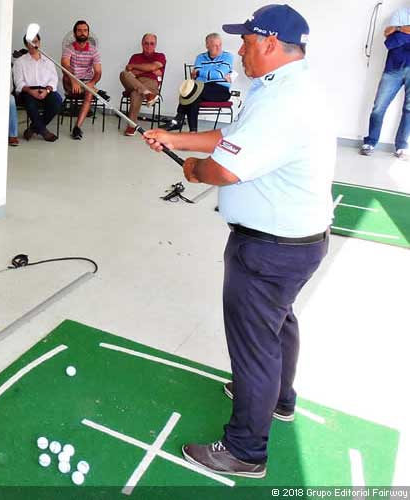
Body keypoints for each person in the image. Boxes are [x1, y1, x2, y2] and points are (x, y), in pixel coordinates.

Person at [141, 5, 331, 478]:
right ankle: (280, 400)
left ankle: (245, 450)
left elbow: (225, 169)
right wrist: (176, 139)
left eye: (245, 41)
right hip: (296, 243)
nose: (238, 49)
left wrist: (192, 170)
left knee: (254, 346)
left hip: (270, 249)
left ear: (268, 43)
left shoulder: (285, 100)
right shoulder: (282, 87)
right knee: (277, 323)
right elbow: (232, 136)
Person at [361, 6, 410, 159]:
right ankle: (370, 142)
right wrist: (401, 32)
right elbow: (390, 42)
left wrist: (400, 32)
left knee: (409, 110)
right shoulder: (400, 13)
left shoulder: (400, 21)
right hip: (393, 68)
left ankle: (401, 146)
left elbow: (397, 38)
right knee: (379, 107)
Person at [167, 33, 236, 133]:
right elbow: (216, 75)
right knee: (194, 96)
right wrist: (216, 75)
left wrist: (201, 72)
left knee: (192, 91)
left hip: (221, 91)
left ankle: (179, 119)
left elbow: (218, 73)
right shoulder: (200, 57)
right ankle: (192, 132)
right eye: (215, 45)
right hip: (202, 89)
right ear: (207, 46)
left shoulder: (227, 56)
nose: (219, 48)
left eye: (220, 45)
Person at [13, 33, 62, 142]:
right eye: (30, 43)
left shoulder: (48, 61)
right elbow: (19, 82)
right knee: (30, 104)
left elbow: (54, 79)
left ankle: (33, 128)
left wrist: (47, 90)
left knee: (57, 101)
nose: (33, 45)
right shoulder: (19, 62)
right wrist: (31, 91)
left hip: (46, 90)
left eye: (35, 41)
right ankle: (44, 131)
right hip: (27, 91)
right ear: (26, 45)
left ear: (39, 43)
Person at [61, 20, 103, 140]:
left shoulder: (94, 50)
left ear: (88, 33)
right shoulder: (69, 48)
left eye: (85, 30)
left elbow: (98, 72)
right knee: (67, 75)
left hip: (86, 82)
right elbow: (65, 65)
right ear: (74, 34)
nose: (82, 33)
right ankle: (96, 91)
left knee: (89, 92)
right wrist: (74, 80)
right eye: (79, 30)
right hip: (70, 80)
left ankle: (77, 127)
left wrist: (91, 83)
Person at [120, 34, 166, 136]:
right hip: (135, 81)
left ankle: (131, 126)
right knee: (123, 74)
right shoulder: (135, 56)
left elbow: (152, 66)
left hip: (150, 83)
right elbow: (130, 73)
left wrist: (135, 67)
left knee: (136, 93)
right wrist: (150, 69)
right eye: (146, 43)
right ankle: (147, 94)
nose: (149, 45)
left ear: (155, 45)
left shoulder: (160, 56)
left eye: (152, 43)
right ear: (142, 44)